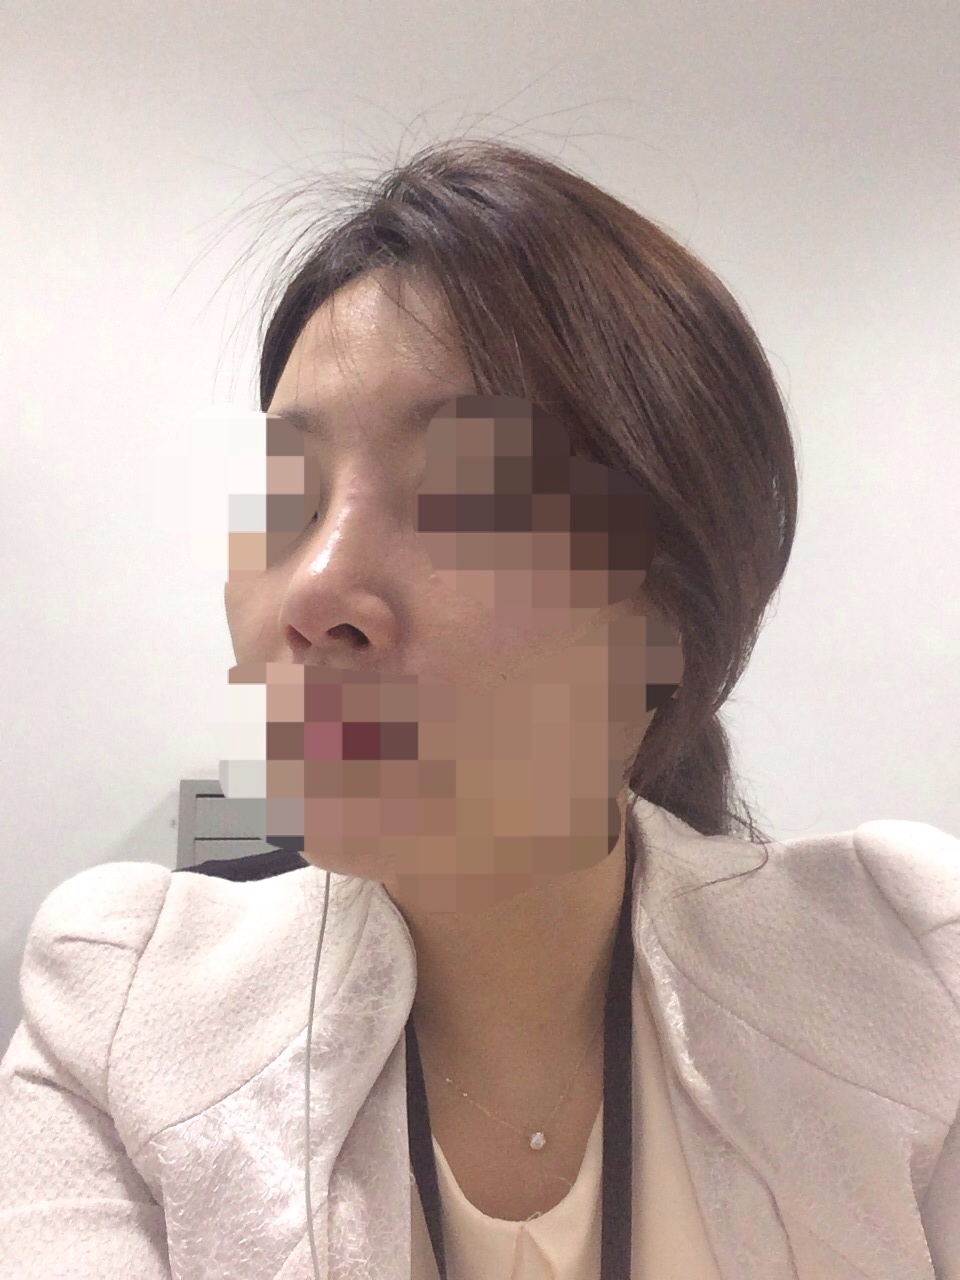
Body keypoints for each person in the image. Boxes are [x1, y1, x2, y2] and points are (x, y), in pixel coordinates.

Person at [1, 137, 958, 1280]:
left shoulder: (913, 976)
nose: (313, 593)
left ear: (672, 613)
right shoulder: (120, 1012)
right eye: (289, 499)